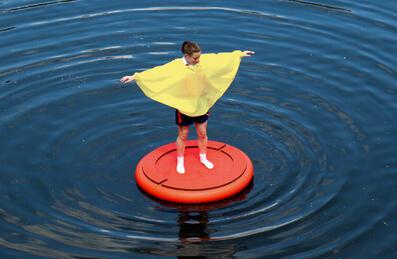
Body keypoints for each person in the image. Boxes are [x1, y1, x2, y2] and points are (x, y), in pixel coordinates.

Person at [120, 41, 254, 174]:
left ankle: (203, 158)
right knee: (183, 135)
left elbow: (220, 58)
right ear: (186, 56)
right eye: (195, 58)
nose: (198, 60)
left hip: (201, 105)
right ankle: (180, 160)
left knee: (202, 133)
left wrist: (239, 54)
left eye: (199, 57)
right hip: (184, 106)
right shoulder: (176, 66)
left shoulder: (202, 61)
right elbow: (158, 72)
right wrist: (135, 77)